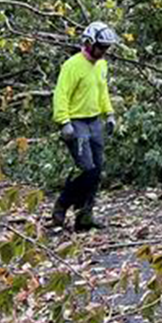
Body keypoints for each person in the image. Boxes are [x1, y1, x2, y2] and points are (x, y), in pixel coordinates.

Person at [50, 21, 118, 232]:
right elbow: (60, 94)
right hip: (76, 122)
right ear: (89, 43)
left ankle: (84, 216)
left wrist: (109, 113)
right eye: (100, 47)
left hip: (94, 120)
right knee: (87, 169)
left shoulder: (101, 65)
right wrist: (64, 122)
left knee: (97, 172)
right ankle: (62, 204)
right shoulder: (72, 65)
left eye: (106, 48)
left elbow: (102, 90)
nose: (103, 52)